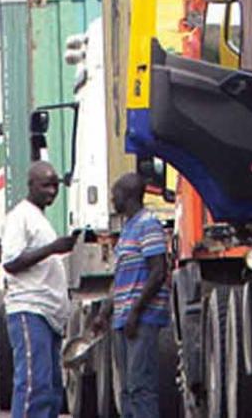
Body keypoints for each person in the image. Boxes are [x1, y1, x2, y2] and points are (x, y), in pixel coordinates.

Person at [2, 161, 78, 418]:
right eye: (46, 185)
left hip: (49, 315)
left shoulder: (40, 219)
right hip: (29, 309)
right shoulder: (19, 217)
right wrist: (53, 249)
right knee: (34, 385)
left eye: (55, 185)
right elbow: (11, 262)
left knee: (52, 389)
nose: (52, 191)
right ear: (31, 185)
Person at [91, 173, 170, 418]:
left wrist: (136, 311)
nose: (112, 200)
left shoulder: (148, 224)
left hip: (141, 320)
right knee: (126, 390)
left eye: (115, 195)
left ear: (127, 197)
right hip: (124, 319)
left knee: (140, 387)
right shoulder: (128, 229)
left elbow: (158, 271)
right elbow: (121, 277)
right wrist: (105, 311)